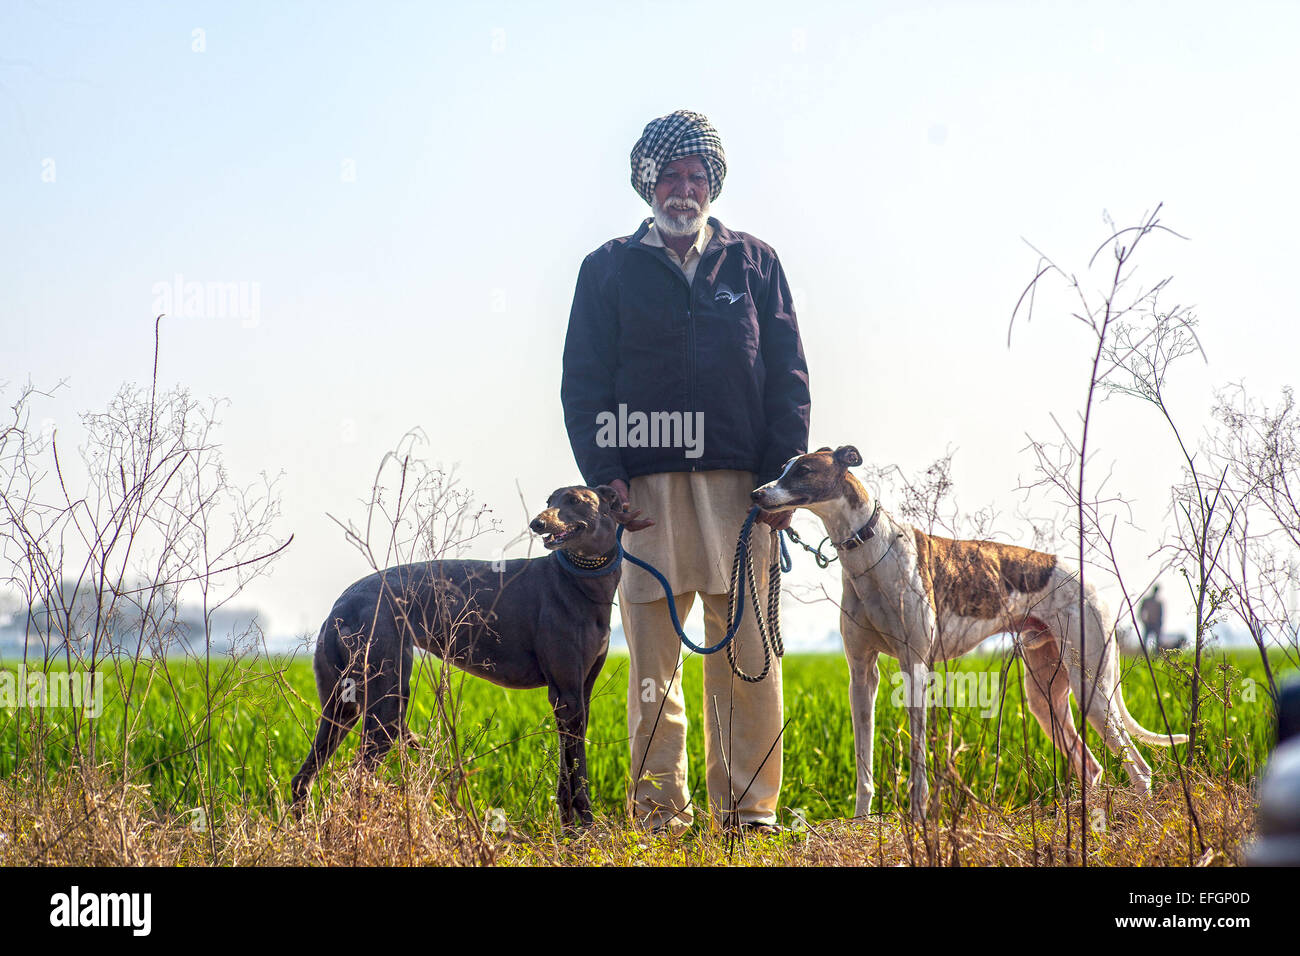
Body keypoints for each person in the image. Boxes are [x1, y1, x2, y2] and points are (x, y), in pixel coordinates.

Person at [561, 109, 811, 833]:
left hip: (746, 490)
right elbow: (584, 384)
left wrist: (783, 483)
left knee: (748, 653)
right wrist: (606, 478)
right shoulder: (607, 269)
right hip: (642, 491)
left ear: (713, 184)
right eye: (669, 175)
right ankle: (661, 814)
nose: (682, 188)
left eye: (696, 175)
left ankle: (749, 814)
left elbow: (789, 378)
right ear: (647, 183)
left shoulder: (755, 263)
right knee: (653, 664)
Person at [1140, 585, 1164, 650]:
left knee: (1158, 640)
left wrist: (1160, 623)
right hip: (1148, 623)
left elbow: (1161, 614)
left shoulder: (1159, 602)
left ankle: (1157, 654)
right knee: (1145, 640)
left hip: (1156, 624)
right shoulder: (1147, 600)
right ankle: (1144, 653)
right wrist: (1143, 620)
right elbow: (1141, 611)